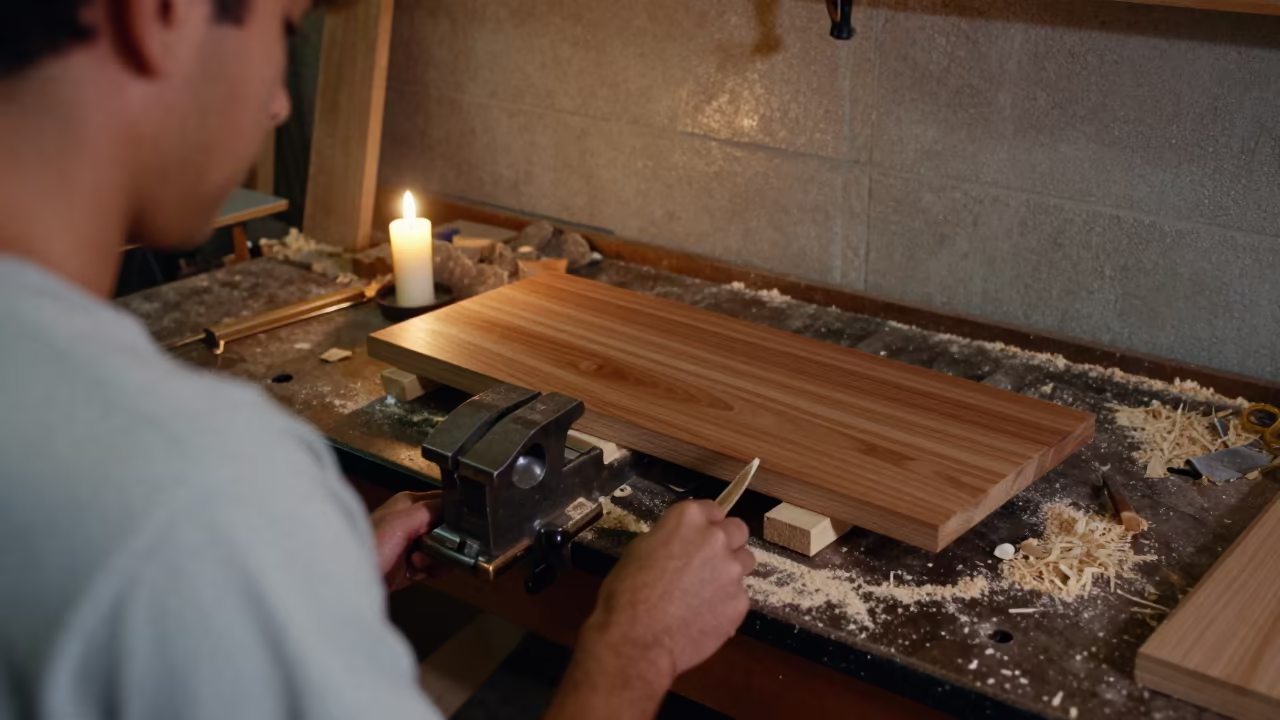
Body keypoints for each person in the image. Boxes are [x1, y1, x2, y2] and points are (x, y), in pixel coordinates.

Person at [0, 1, 756, 719]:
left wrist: (289, 593)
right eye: (283, 30)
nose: (277, 105)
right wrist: (636, 645)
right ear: (163, 14)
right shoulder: (205, 493)